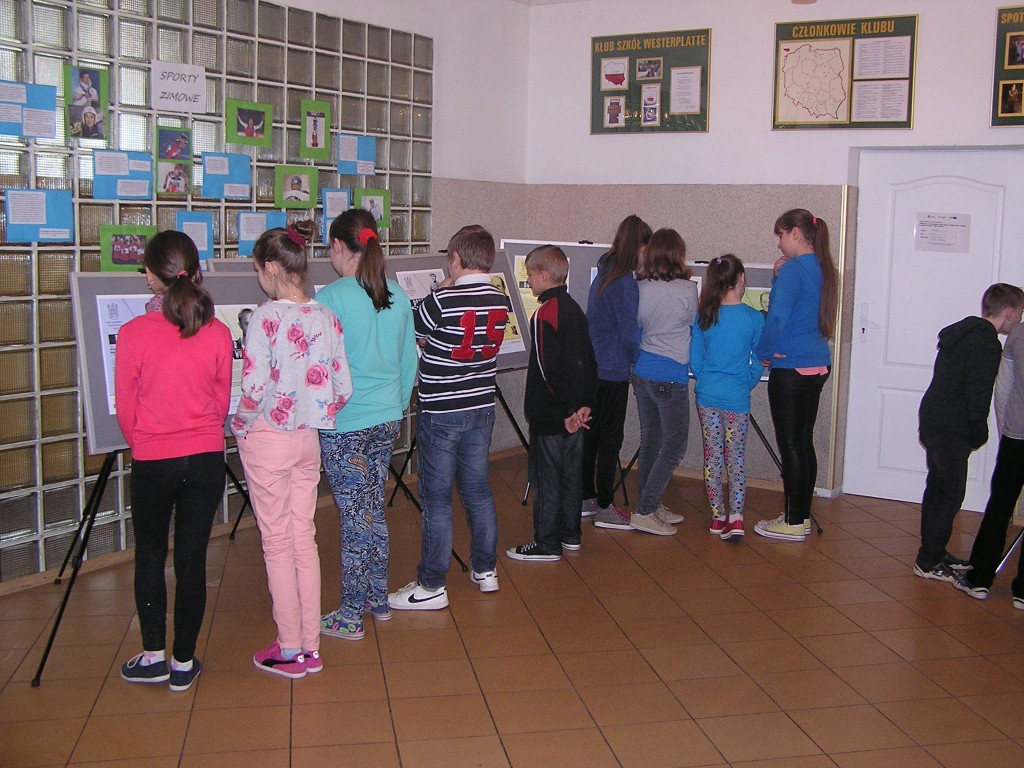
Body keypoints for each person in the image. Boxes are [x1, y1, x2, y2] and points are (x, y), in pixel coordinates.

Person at [231, 221, 353, 678]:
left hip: (268, 439)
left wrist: (240, 426)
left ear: (270, 268)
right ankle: (311, 646)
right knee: (304, 537)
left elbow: (254, 388)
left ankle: (288, 648)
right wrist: (312, 408)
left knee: (277, 544)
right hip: (308, 440)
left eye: (256, 270)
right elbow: (343, 388)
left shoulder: (265, 318)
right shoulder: (325, 315)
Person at [115, 231, 233, 692]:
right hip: (205, 459)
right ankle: (184, 662)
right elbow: (220, 402)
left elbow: (127, 409)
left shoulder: (132, 333)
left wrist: (146, 444)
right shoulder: (218, 331)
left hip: (153, 460)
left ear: (152, 275)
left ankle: (153, 657)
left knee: (149, 555)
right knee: (191, 558)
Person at [388, 225, 511, 609]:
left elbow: (414, 327)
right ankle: (486, 569)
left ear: (455, 260)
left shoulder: (443, 299)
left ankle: (431, 585)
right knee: (478, 489)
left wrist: (440, 289)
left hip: (442, 409)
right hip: (481, 406)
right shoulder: (500, 298)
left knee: (437, 498)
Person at [316, 209, 417, 639]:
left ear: (339, 246)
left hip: (346, 424)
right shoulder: (397, 295)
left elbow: (318, 368)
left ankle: (350, 614)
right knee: (371, 508)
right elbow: (409, 361)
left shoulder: (330, 298)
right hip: (387, 417)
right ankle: (378, 598)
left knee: (355, 517)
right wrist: (395, 406)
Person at [914, 283, 1024, 582]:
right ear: (1009, 312)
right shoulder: (987, 343)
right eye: (1020, 313)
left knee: (941, 488)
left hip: (935, 418)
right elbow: (977, 394)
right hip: (951, 425)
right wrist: (979, 432)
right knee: (948, 494)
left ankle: (935, 552)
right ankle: (928, 561)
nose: (1020, 319)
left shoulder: (965, 331)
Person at [753, 209, 838, 542]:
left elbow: (777, 318)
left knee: (790, 446)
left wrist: (763, 353)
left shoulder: (794, 270)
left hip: (791, 366)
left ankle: (791, 522)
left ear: (796, 234)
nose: (779, 243)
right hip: (817, 365)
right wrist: (779, 276)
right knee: (803, 443)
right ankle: (799, 517)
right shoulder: (823, 268)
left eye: (781, 235)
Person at [507, 245, 595, 560]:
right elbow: (589, 361)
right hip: (576, 413)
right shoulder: (575, 309)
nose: (529, 281)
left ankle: (547, 543)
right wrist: (584, 405)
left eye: (530, 275)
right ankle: (570, 534)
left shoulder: (545, 313)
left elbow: (547, 370)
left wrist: (563, 412)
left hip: (553, 415)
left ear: (544, 276)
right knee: (571, 474)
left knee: (546, 479)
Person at [582, 214, 649, 531]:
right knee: (611, 439)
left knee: (591, 438)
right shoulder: (624, 283)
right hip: (612, 370)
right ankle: (605, 506)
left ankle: (586, 498)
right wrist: (636, 360)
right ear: (640, 247)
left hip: (594, 368)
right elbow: (629, 334)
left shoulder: (603, 274)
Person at [690, 254, 764, 540]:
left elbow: (695, 359)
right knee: (735, 458)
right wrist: (745, 383)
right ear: (741, 278)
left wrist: (705, 379)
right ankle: (736, 517)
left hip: (707, 395)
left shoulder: (705, 315)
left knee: (712, 456)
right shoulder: (754, 318)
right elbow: (759, 360)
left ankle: (717, 515)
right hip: (737, 398)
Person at [629, 228, 697, 536]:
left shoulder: (639, 286)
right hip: (670, 375)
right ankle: (645, 510)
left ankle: (650, 503)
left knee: (651, 440)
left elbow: (637, 326)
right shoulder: (687, 289)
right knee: (674, 446)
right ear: (678, 254)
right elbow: (693, 324)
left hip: (642, 371)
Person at [954, 315, 1024, 604]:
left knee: (999, 507)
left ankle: (979, 579)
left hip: (1017, 436)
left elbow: (1003, 389)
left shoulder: (1018, 335)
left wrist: (1005, 429)